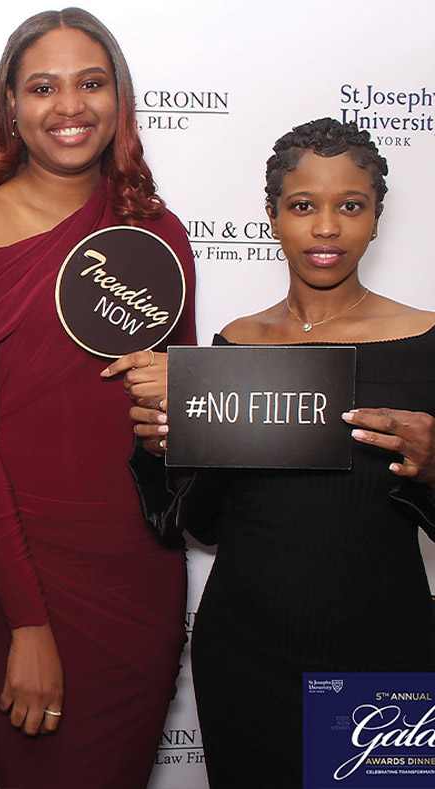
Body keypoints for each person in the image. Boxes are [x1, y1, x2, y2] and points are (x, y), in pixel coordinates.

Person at [0, 9, 196, 788]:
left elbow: (181, 430)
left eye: (90, 83)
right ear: (11, 105)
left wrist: (183, 406)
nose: (69, 106)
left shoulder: (159, 233)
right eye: (43, 87)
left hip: (139, 571)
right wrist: (28, 620)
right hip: (18, 574)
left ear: (120, 98)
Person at [132, 118, 435, 787]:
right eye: (303, 206)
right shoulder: (234, 346)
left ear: (377, 218)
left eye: (350, 206)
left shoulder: (425, 341)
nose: (326, 227)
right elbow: (204, 521)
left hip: (380, 658)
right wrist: (163, 450)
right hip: (246, 655)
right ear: (271, 216)